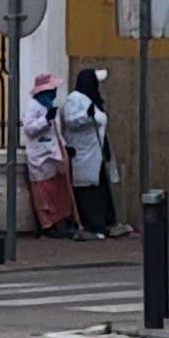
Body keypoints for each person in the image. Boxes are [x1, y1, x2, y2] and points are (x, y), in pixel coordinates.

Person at [65, 66, 118, 238]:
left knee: (101, 187)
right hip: (85, 154)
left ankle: (105, 222)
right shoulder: (75, 99)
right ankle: (93, 224)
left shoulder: (92, 100)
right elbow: (71, 120)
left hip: (97, 153)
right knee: (89, 190)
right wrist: (86, 117)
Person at [24, 72, 79, 235]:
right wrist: (45, 120)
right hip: (40, 156)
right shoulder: (33, 106)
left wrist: (64, 145)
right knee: (44, 192)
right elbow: (29, 129)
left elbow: (57, 131)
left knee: (60, 189)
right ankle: (47, 225)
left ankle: (62, 220)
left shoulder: (52, 107)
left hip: (55, 154)